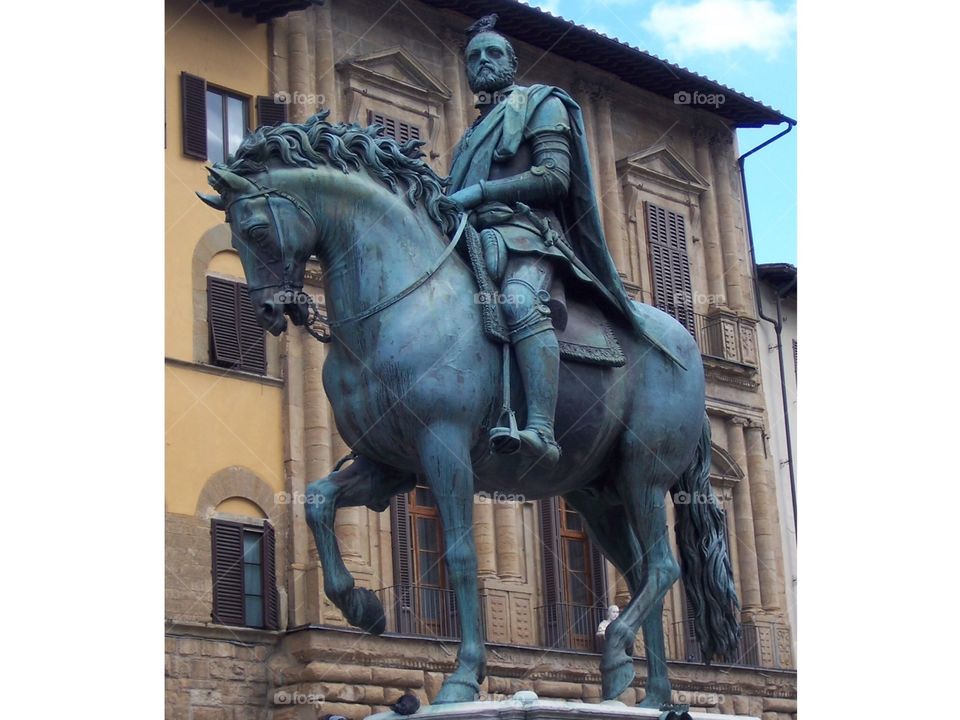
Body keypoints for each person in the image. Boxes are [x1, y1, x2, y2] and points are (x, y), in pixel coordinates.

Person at [447, 14, 662, 466]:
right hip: (474, 240)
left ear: (512, 62)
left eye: (494, 53)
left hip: (529, 238)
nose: (483, 62)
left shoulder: (541, 104)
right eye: (474, 57)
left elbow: (554, 177)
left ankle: (542, 427)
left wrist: (482, 192)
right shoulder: (467, 139)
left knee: (520, 303)